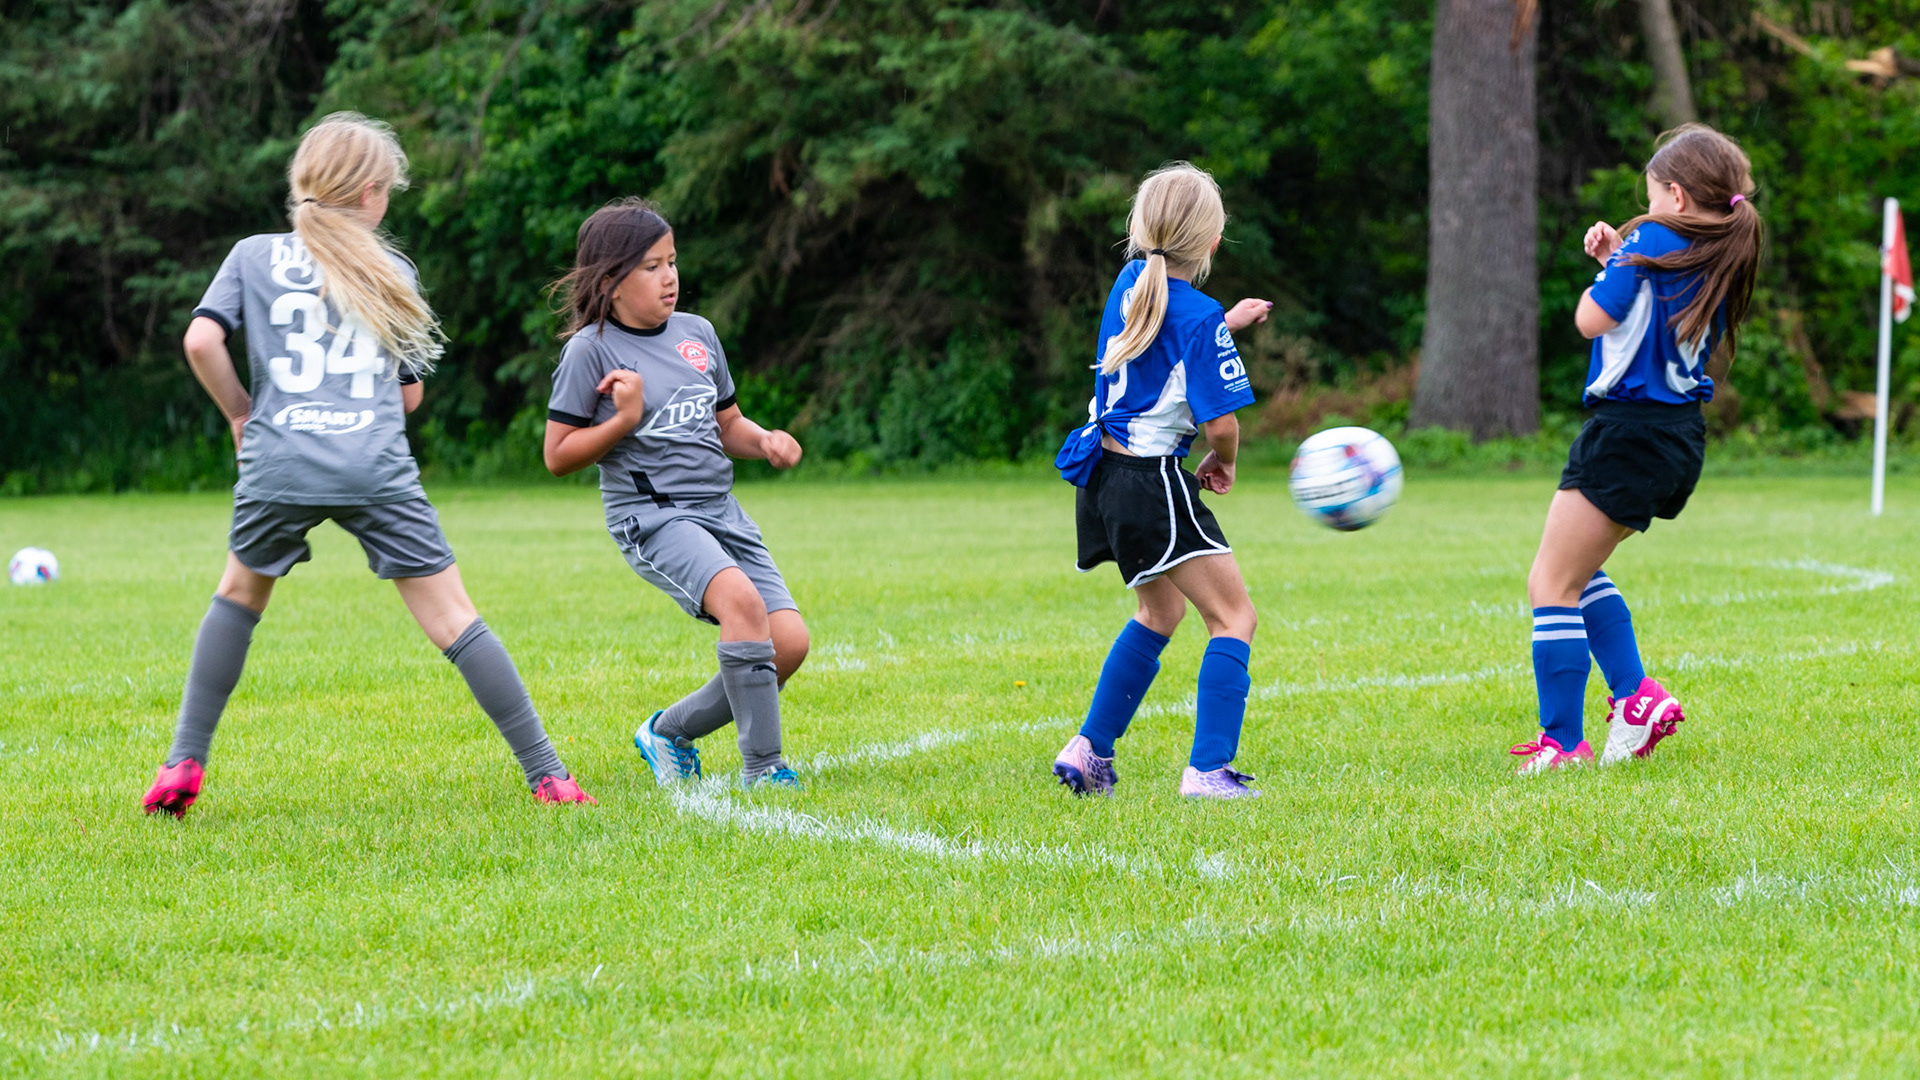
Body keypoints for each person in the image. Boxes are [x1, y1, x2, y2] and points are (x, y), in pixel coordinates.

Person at [142, 113, 593, 816]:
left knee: (237, 599)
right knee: (455, 619)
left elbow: (201, 340)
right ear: (375, 192)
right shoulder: (393, 268)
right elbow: (408, 396)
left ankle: (183, 762)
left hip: (278, 461)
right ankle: (549, 776)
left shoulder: (251, 255)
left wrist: (240, 412)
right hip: (373, 467)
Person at [1511, 123, 1763, 775]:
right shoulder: (1715, 258)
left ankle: (1563, 742)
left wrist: (1616, 267)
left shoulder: (1653, 239)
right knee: (1579, 571)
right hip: (1674, 440)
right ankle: (1635, 698)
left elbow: (1591, 320)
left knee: (1550, 582)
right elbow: (1652, 306)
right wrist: (1617, 259)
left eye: (1651, 194)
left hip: (1627, 432)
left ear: (1675, 195)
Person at [543, 199, 809, 790]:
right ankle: (765, 770)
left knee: (787, 643)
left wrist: (764, 440)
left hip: (721, 510)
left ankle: (668, 731)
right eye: (652, 267)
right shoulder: (591, 349)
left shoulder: (698, 334)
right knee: (741, 606)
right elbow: (557, 455)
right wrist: (622, 420)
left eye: (673, 262)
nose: (670, 277)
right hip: (654, 516)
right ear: (610, 282)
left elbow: (726, 423)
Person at [1049, 162, 1274, 800]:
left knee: (1160, 609)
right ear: (1211, 243)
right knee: (1234, 617)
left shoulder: (1131, 283)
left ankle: (1090, 748)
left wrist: (1220, 325)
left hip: (1102, 477)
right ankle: (1209, 771)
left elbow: (1162, 340)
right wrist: (1224, 462)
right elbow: (1221, 424)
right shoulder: (1198, 317)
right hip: (1152, 482)